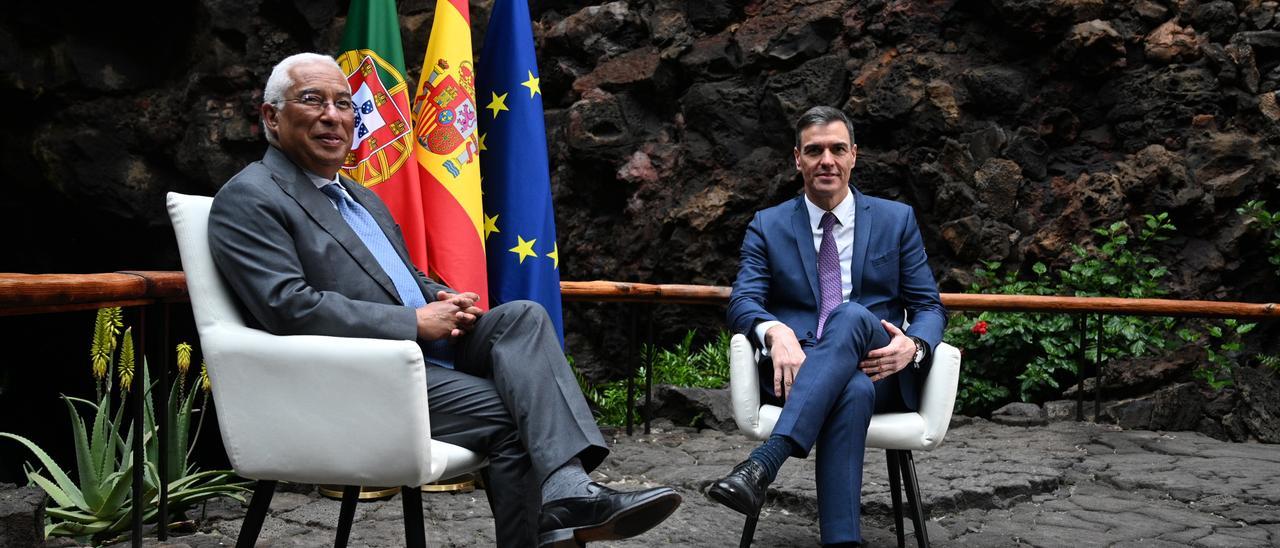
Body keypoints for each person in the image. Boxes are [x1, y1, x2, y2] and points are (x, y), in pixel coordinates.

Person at [207, 52, 680, 548]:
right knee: (521, 417)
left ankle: (567, 491)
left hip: (424, 358)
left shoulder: (358, 195)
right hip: (358, 378)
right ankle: (565, 506)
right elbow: (287, 307)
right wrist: (412, 321)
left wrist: (440, 297)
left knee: (523, 316)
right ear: (271, 117)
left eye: (345, 103)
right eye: (312, 100)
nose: (333, 115)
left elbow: (403, 276)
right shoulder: (251, 197)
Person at [707, 106, 947, 546]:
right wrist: (774, 331)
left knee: (853, 314)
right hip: (797, 370)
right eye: (814, 151)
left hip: (881, 368)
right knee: (848, 389)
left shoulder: (896, 220)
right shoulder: (769, 225)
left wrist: (913, 346)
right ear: (797, 159)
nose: (827, 161)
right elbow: (743, 301)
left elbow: (929, 307)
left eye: (838, 149)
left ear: (854, 155)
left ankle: (767, 459)